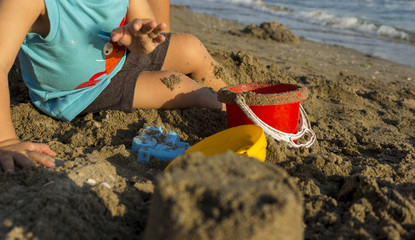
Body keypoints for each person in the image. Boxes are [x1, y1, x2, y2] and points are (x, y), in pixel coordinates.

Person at [0, 0, 227, 173]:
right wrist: (6, 141)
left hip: (121, 54)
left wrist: (142, 41)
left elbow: (147, 32)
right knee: (177, 85)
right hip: (81, 91)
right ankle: (232, 122)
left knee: (191, 48)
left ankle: (240, 105)